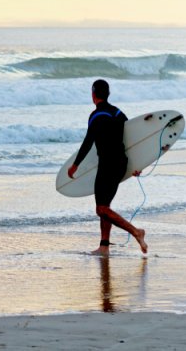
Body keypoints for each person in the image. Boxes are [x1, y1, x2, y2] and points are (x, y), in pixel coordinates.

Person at [68, 79, 147, 256]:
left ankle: (136, 232)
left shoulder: (96, 116)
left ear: (93, 95)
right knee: (106, 206)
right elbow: (132, 140)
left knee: (101, 209)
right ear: (108, 94)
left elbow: (88, 142)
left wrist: (75, 165)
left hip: (108, 165)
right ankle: (104, 245)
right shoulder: (117, 113)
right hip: (120, 164)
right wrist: (137, 166)